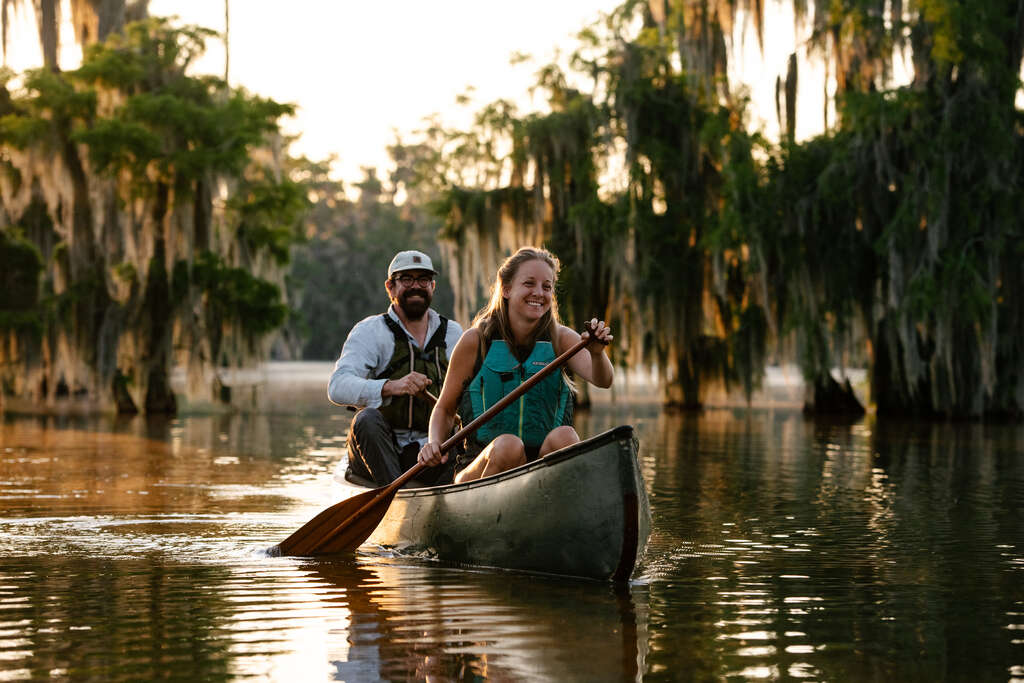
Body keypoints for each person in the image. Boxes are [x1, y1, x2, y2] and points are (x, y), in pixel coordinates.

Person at [417, 246, 613, 483]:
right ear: (507, 289)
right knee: (508, 445)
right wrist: (434, 443)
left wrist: (597, 354)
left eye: (547, 286)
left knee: (566, 436)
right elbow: (444, 409)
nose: (539, 293)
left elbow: (604, 380)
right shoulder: (475, 341)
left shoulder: (561, 338)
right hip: (481, 464)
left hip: (539, 466)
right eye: (529, 283)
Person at [328, 250, 463, 486]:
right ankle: (392, 493)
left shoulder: (453, 334)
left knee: (462, 433)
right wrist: (392, 387)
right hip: (380, 450)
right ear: (390, 287)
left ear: (432, 286)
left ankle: (454, 489)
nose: (416, 286)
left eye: (423, 280)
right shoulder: (370, 331)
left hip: (432, 452)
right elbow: (337, 387)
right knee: (366, 419)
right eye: (406, 279)